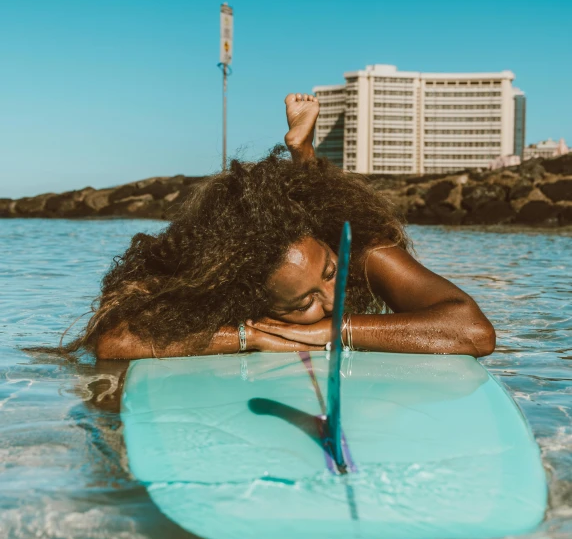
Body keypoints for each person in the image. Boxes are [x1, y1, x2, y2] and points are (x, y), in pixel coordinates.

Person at [67, 93, 495, 360]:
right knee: (296, 241)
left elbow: (472, 331)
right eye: (302, 301)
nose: (335, 296)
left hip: (324, 228)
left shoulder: (363, 255)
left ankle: (303, 152)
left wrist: (328, 329)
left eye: (329, 275)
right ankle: (302, 153)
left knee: (320, 214)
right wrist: (251, 336)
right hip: (288, 249)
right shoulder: (233, 279)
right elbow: (113, 341)